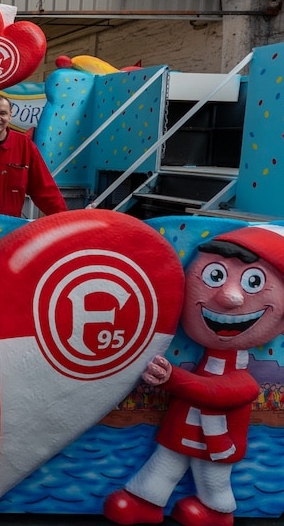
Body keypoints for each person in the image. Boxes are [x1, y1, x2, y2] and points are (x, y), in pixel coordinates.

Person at [104, 224, 284, 526]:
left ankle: (217, 511)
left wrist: (173, 378)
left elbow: (217, 392)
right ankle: (144, 502)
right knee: (163, 465)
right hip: (182, 433)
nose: (230, 297)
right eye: (216, 275)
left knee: (212, 478)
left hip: (217, 443)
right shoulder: (205, 362)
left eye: (253, 282)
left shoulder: (241, 377)